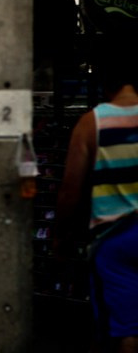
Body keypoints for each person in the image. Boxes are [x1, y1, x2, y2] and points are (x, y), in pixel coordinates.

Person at [55, 53, 138, 352]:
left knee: (126, 328)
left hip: (115, 239)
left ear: (105, 83)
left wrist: (60, 235)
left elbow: (69, 190)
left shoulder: (92, 123)